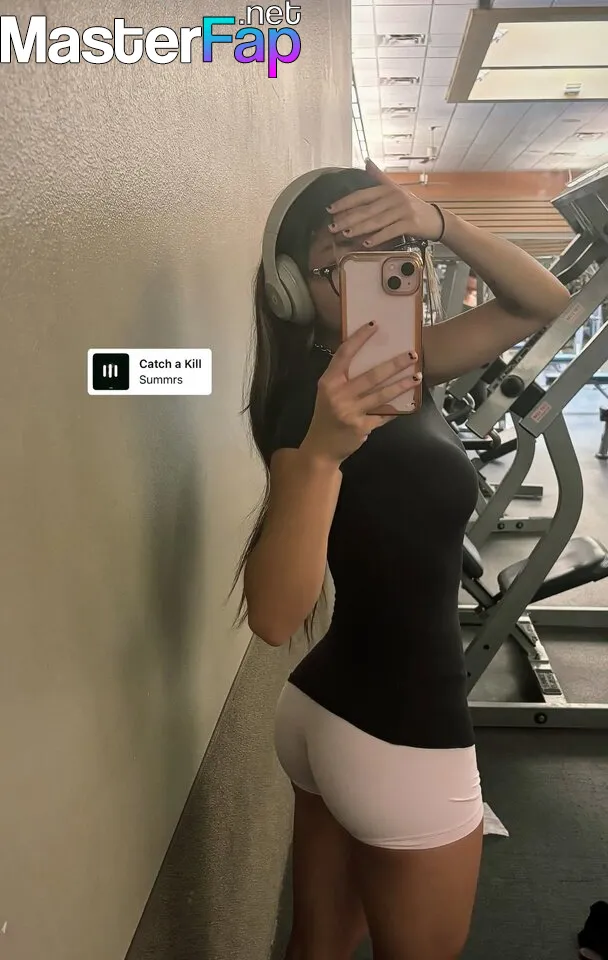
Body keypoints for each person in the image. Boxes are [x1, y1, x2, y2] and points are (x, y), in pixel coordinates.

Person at [234, 159, 570, 960]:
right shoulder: (313, 404)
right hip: (399, 736)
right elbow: (275, 617)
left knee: (318, 943)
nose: (376, 277)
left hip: (329, 710)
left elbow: (542, 303)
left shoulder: (393, 363)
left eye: (391, 257)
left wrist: (438, 222)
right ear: (290, 287)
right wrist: (322, 453)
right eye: (340, 264)